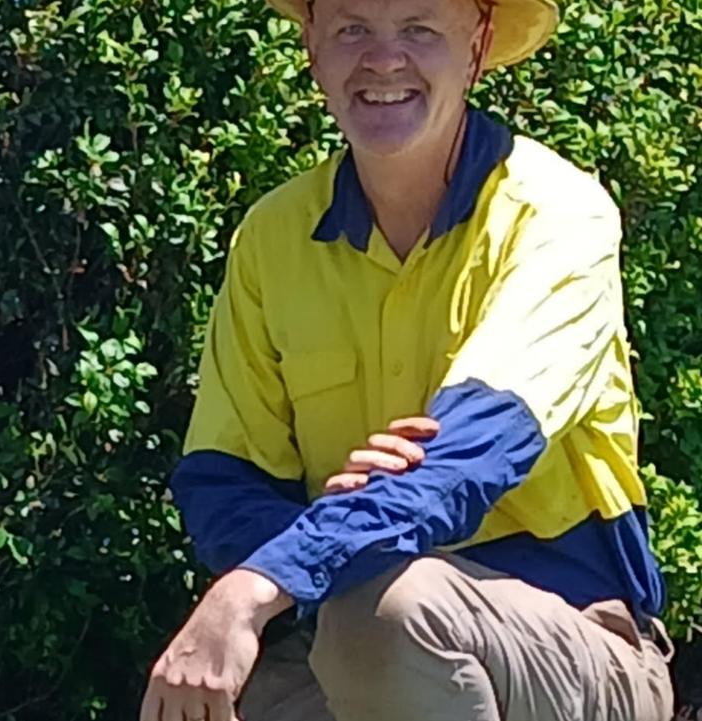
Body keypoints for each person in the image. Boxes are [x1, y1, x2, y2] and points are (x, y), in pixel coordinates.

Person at [138, 0, 678, 718]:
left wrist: (260, 582)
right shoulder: (272, 237)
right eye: (352, 28)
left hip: (579, 635)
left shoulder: (558, 216)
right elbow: (221, 481)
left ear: (478, 45)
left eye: (420, 29)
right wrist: (334, 546)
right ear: (312, 48)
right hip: (347, 634)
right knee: (202, 693)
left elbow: (465, 459)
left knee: (391, 615)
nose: (384, 60)